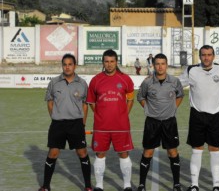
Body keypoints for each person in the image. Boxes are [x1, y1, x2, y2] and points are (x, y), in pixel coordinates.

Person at [179, 45, 219, 191]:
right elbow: (177, 84)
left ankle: (216, 185)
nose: (206, 57)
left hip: (216, 114)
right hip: (197, 113)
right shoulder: (191, 70)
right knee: (197, 149)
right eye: (203, 55)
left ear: (213, 56)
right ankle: (194, 185)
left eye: (209, 54)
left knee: (215, 149)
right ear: (200, 56)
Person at [39, 53, 92, 191]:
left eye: (70, 64)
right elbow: (50, 102)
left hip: (76, 124)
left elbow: (85, 105)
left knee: (82, 153)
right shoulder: (54, 82)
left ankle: (88, 186)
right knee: (53, 153)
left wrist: (83, 123)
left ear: (75, 66)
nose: (67, 67)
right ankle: (45, 186)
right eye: (65, 64)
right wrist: (55, 116)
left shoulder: (82, 84)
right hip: (58, 124)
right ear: (62, 65)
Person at [86, 49, 135, 191]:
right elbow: (91, 102)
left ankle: (126, 185)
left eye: (112, 61)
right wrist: (101, 114)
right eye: (106, 61)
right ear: (103, 62)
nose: (109, 64)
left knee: (124, 154)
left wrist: (123, 114)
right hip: (102, 126)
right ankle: (99, 186)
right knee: (100, 154)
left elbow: (130, 99)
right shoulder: (95, 80)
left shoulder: (125, 79)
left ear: (116, 62)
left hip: (121, 125)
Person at [137, 53, 184, 191]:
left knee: (173, 152)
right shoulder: (147, 82)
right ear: (153, 65)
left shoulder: (175, 81)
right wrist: (147, 108)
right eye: (157, 64)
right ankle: (141, 185)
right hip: (152, 122)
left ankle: (176, 184)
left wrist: (173, 107)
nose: (160, 66)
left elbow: (180, 95)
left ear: (167, 65)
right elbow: (140, 97)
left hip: (169, 122)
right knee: (148, 153)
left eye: (163, 63)